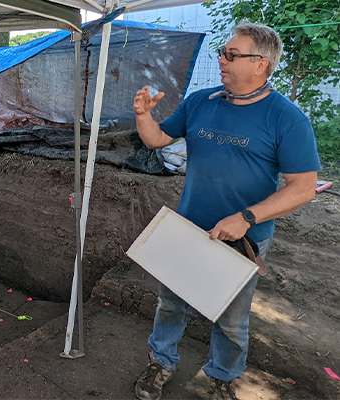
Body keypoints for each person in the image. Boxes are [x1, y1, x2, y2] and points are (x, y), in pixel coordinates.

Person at [132, 21, 320, 400]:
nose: (222, 59)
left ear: (261, 64)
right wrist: (142, 115)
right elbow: (157, 139)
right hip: (187, 228)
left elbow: (303, 188)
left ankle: (222, 377)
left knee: (232, 319)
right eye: (222, 52)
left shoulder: (288, 118)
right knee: (171, 303)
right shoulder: (201, 101)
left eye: (232, 55)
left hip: (243, 238)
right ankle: (161, 362)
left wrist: (246, 218)